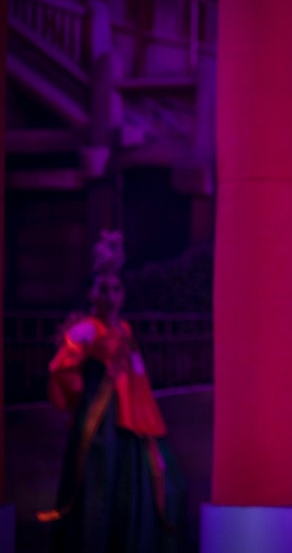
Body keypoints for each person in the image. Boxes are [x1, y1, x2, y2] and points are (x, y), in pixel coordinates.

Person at [37, 230, 187, 553]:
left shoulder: (125, 329)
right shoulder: (86, 329)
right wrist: (81, 397)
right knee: (97, 487)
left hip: (132, 419)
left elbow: (138, 374)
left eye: (117, 289)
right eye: (103, 289)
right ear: (91, 294)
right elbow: (61, 369)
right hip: (101, 424)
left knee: (145, 485)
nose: (111, 296)